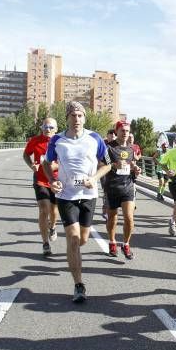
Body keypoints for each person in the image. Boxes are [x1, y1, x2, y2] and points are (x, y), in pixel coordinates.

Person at [43, 102, 112, 303]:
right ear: (67, 118)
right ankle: (79, 284)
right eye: (73, 115)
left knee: (82, 240)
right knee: (73, 240)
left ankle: (75, 256)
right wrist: (51, 180)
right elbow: (48, 163)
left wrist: (94, 178)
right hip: (66, 196)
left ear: (85, 118)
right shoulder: (57, 140)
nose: (77, 119)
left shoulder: (95, 138)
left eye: (80, 115)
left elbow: (107, 165)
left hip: (89, 195)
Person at [22, 118, 60, 256]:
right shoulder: (35, 140)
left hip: (57, 180)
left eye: (51, 127)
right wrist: (31, 165)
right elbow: (26, 154)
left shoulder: (60, 141)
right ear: (41, 128)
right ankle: (45, 244)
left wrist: (55, 166)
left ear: (56, 129)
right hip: (40, 180)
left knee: (54, 211)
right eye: (45, 126)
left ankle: (53, 226)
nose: (47, 129)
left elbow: (66, 160)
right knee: (44, 210)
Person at [104, 120, 141, 260]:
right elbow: (101, 164)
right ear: (116, 131)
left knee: (129, 218)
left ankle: (126, 244)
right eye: (122, 130)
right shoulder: (108, 148)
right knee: (112, 218)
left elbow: (131, 166)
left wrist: (136, 169)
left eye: (127, 131)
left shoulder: (131, 149)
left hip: (128, 186)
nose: (125, 133)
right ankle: (112, 242)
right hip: (112, 187)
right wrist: (114, 165)